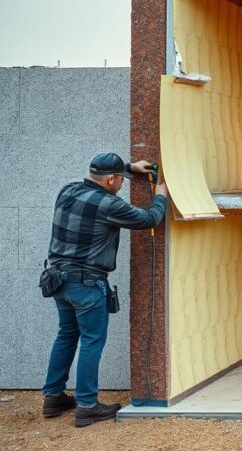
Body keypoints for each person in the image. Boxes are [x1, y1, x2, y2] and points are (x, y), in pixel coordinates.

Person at [41, 153, 167, 427]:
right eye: (120, 179)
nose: (122, 183)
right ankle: (87, 405)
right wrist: (160, 195)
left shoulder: (68, 190)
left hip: (58, 279)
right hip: (86, 283)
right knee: (91, 340)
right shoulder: (109, 205)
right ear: (110, 180)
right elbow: (149, 219)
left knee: (66, 334)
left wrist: (130, 168)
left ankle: (53, 397)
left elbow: (102, 175)